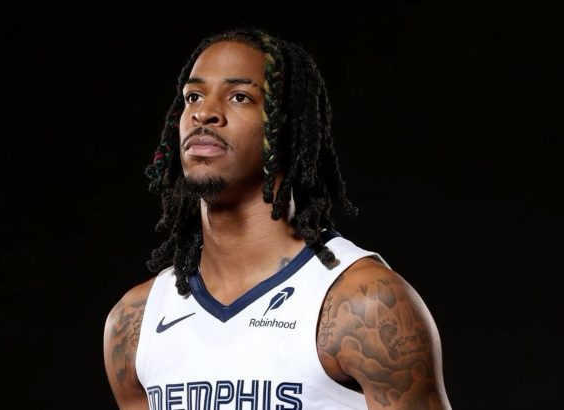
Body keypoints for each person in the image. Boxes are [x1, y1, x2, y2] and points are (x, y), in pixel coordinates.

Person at [103, 28, 452, 410]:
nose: (204, 112)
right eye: (193, 96)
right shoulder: (134, 321)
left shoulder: (361, 302)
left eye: (239, 96)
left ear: (286, 127)